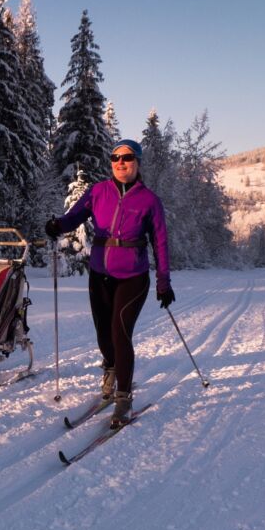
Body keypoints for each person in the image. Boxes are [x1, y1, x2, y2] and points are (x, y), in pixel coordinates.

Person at [45, 139, 174, 428]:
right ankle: (111, 370)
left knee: (120, 332)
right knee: (103, 334)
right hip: (99, 272)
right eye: (115, 157)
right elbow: (73, 217)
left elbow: (161, 243)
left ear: (137, 162)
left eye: (126, 157)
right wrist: (57, 225)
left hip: (133, 276)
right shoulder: (98, 191)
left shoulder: (150, 201)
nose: (120, 162)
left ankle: (124, 397)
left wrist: (163, 282)